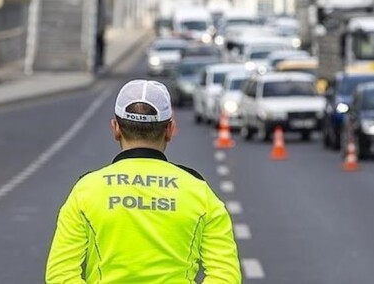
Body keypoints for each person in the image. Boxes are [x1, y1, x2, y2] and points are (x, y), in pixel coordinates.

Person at [46, 79, 241, 283]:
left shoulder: (86, 190)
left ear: (116, 128)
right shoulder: (199, 192)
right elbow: (225, 275)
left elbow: (60, 274)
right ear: (169, 130)